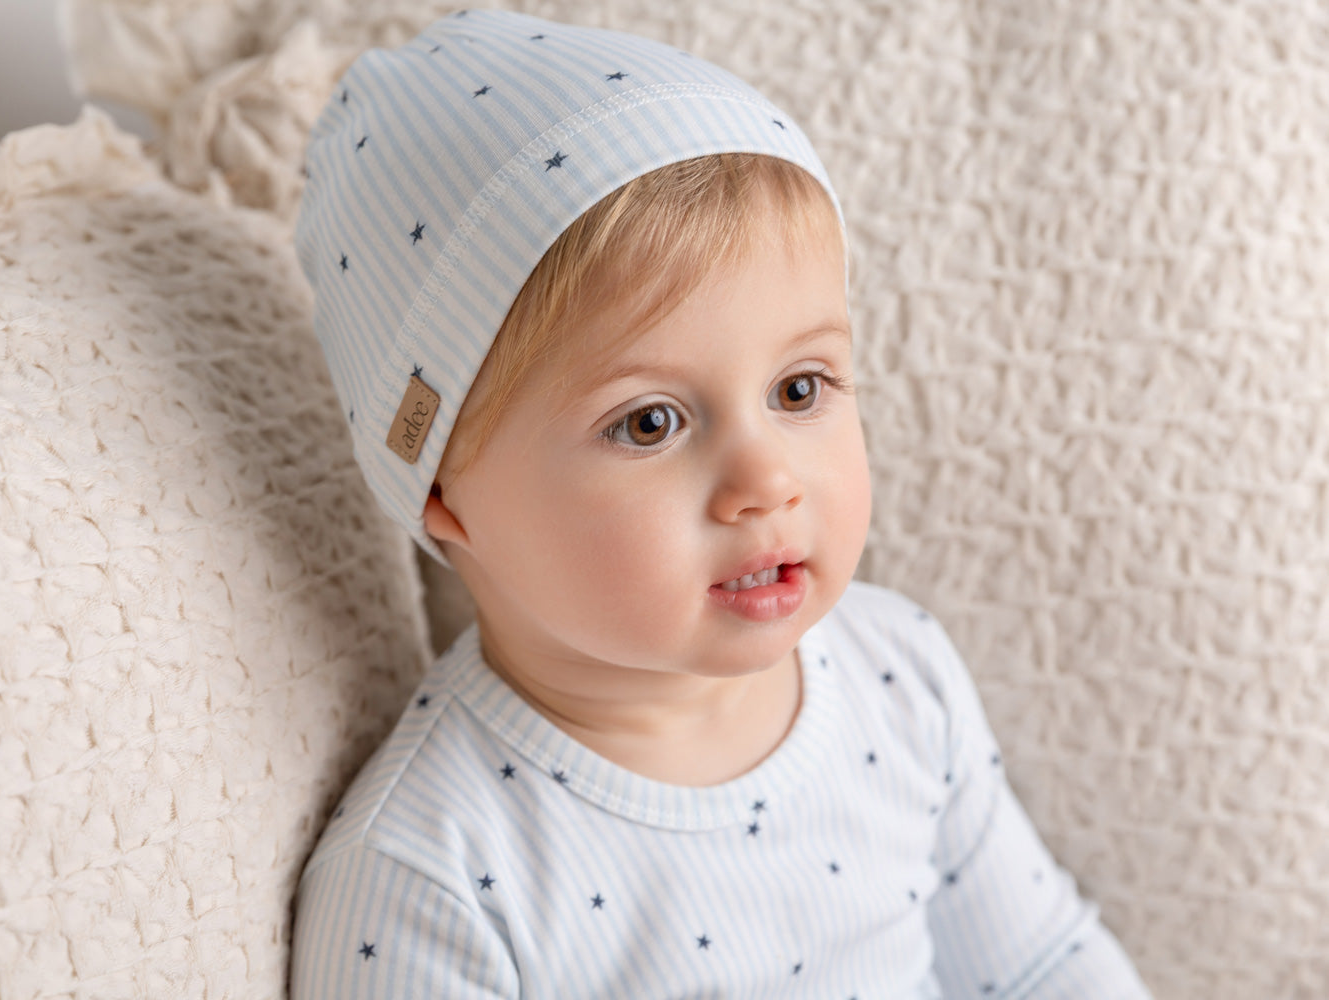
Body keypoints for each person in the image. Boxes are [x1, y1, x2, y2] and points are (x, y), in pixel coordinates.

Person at [290, 9, 1151, 998]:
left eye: (799, 390)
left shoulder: (899, 680)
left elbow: (1040, 962)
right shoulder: (430, 869)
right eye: (650, 423)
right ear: (441, 491)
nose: (765, 483)